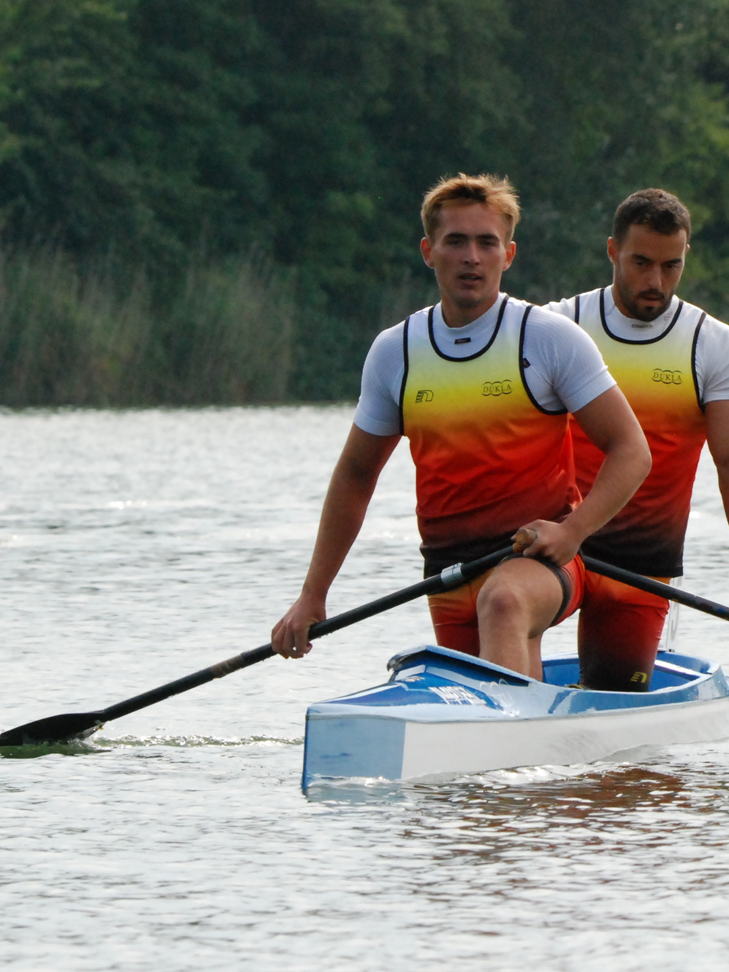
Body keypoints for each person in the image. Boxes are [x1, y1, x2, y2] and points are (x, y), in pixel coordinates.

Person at [272, 174, 650, 679]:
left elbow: (632, 450)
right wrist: (312, 595)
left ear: (508, 255)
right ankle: (533, 739)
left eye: (486, 242)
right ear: (429, 251)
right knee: (493, 679)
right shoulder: (395, 352)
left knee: (503, 603)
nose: (471, 256)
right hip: (448, 574)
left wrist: (573, 532)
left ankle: (514, 743)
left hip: (542, 561)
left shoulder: (548, 338)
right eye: (456, 241)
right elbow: (355, 476)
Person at [550, 188, 729, 690]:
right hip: (561, 549)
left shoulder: (713, 345)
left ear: (686, 256)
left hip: (642, 564)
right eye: (641, 263)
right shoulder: (560, 327)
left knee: (619, 714)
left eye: (671, 266)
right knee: (508, 611)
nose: (655, 282)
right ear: (612, 251)